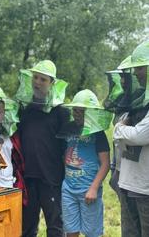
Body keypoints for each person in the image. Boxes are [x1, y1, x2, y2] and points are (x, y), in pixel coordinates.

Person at [15, 60, 70, 237]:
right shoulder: (25, 109)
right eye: (35, 78)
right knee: (27, 226)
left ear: (52, 83)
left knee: (54, 225)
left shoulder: (61, 112)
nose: (37, 82)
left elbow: (66, 148)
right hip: (27, 177)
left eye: (43, 79)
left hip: (51, 178)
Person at [58, 89, 111, 237]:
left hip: (89, 190)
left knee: (92, 232)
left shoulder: (97, 133)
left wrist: (94, 188)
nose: (77, 114)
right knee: (71, 230)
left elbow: (105, 163)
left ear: (91, 112)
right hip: (68, 189)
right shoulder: (68, 128)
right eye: (75, 110)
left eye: (82, 111)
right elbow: (64, 155)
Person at [113, 40, 149, 237]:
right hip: (128, 181)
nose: (136, 74)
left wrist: (119, 129)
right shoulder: (137, 100)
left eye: (140, 68)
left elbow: (140, 135)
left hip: (146, 187)